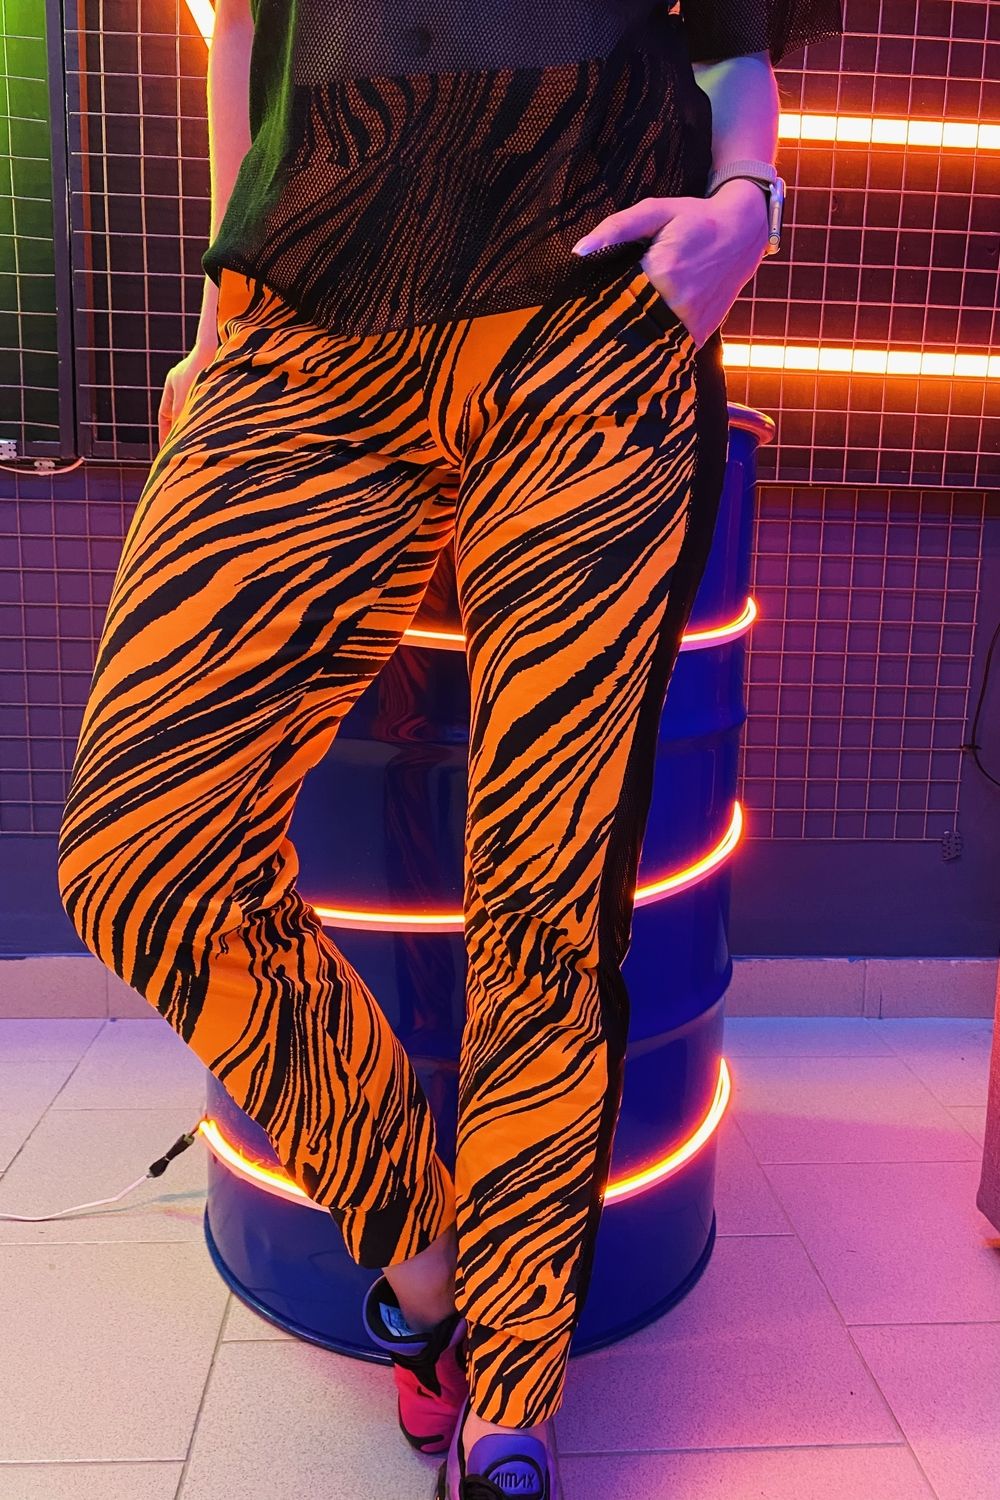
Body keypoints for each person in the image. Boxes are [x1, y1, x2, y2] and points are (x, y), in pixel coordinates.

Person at [57, 2, 843, 1496]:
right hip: (304, 323)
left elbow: (733, 31)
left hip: (591, 323)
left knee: (548, 902)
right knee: (139, 856)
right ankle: (431, 1270)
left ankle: (514, 1410)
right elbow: (251, 29)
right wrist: (218, 309)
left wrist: (749, 202)